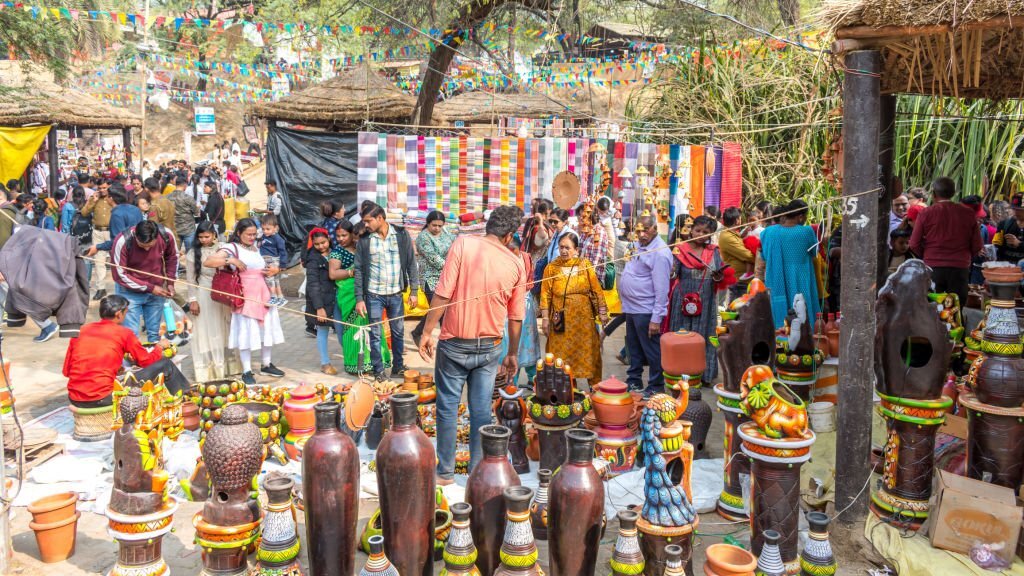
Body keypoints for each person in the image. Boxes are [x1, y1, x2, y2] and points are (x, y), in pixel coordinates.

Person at [418, 205, 526, 485]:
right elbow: (516, 318)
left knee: (447, 408)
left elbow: (442, 292)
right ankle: (480, 474)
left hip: (455, 343)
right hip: (489, 347)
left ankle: (444, 473)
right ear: (509, 235)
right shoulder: (515, 263)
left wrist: (427, 331)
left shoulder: (462, 244)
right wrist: (512, 354)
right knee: (481, 410)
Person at [63, 295, 188, 407]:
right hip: (104, 397)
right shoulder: (124, 333)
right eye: (125, 313)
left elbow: (67, 371)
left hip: (74, 398)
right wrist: (159, 347)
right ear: (118, 314)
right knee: (166, 365)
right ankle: (188, 401)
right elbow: (146, 361)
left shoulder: (81, 330)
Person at [204, 218, 285, 385]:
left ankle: (266, 363)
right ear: (239, 233)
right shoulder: (231, 248)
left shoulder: (255, 247)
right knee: (246, 331)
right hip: (245, 294)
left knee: (267, 328)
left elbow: (260, 267)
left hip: (263, 292)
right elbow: (209, 261)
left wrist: (273, 270)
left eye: (255, 234)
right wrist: (231, 260)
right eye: (248, 234)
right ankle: (247, 370)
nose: (252, 237)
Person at [353, 203, 419, 380]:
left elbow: (412, 263)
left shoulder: (401, 234)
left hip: (396, 294)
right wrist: (359, 298)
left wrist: (414, 290)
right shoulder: (365, 240)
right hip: (373, 295)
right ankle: (378, 371)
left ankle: (397, 367)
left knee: (398, 332)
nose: (365, 225)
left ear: (380, 218)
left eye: (368, 221)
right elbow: (358, 269)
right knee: (375, 334)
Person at [667, 215, 733, 386]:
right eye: (697, 230)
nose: (700, 234)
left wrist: (719, 277)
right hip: (682, 298)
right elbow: (673, 274)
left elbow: (720, 277)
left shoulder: (714, 251)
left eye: (705, 232)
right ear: (691, 230)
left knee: (704, 335)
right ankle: (678, 372)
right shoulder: (680, 249)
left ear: (710, 234)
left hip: (706, 298)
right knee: (681, 334)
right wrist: (671, 270)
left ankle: (704, 375)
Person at [539, 232, 609, 386]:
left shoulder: (585, 265)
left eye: (567, 248)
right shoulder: (551, 269)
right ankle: (568, 391)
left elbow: (597, 290)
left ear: (576, 249)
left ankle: (595, 390)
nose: (563, 251)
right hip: (560, 322)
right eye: (561, 247)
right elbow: (545, 295)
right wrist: (545, 319)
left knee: (590, 354)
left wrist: (603, 313)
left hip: (583, 323)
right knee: (561, 358)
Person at [619, 214, 673, 396]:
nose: (641, 234)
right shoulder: (637, 245)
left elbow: (662, 290)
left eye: (646, 230)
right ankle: (634, 381)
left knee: (652, 350)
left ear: (655, 229)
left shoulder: (660, 253)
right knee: (633, 348)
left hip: (646, 310)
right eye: (638, 230)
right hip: (631, 308)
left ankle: (656, 386)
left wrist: (656, 318)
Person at [909, 177, 982, 307]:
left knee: (932, 308)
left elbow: (914, 243)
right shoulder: (968, 213)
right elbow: (977, 245)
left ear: (933, 194)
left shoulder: (926, 213)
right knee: (956, 310)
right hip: (959, 267)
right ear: (954, 193)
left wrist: (926, 255)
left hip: (933, 267)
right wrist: (965, 257)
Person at [330, 221, 392, 374]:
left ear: (353, 234)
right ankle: (355, 365)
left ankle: (374, 363)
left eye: (344, 235)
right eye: (338, 236)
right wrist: (353, 272)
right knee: (353, 331)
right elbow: (333, 274)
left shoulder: (364, 248)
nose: (341, 239)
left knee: (373, 329)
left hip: (369, 294)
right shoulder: (338, 252)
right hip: (350, 296)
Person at [105, 220, 177, 342]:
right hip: (129, 292)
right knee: (131, 335)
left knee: (155, 334)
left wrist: (170, 283)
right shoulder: (123, 240)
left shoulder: (166, 235)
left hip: (157, 289)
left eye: (150, 245)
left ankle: (154, 360)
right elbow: (119, 274)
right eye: (143, 246)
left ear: (157, 237)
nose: (147, 249)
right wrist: (150, 288)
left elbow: (173, 258)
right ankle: (131, 361)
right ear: (135, 236)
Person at [186, 221, 241, 381]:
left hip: (224, 292)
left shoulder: (223, 248)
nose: (204, 239)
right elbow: (190, 280)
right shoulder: (192, 254)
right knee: (207, 330)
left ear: (214, 235)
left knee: (225, 327)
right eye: (201, 237)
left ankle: (230, 366)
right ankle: (210, 369)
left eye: (207, 236)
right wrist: (193, 300)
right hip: (204, 294)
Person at [760, 199, 821, 329]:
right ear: (800, 217)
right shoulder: (807, 231)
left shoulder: (767, 233)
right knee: (802, 312)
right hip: (801, 279)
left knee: (780, 319)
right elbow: (815, 253)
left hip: (776, 280)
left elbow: (764, 256)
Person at [411, 210, 455, 345]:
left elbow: (455, 246)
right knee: (439, 310)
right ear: (428, 223)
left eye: (440, 226)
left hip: (445, 277)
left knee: (438, 309)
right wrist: (454, 267)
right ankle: (446, 341)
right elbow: (434, 259)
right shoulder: (423, 238)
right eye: (434, 225)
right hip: (430, 278)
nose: (437, 228)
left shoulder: (446, 232)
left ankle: (418, 332)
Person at [305, 228, 340, 375]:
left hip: (338, 298)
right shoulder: (313, 259)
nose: (321, 246)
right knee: (323, 330)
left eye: (323, 242)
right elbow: (313, 284)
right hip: (321, 301)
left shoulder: (336, 252)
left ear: (329, 239)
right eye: (317, 244)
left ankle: (351, 359)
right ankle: (324, 363)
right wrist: (319, 307)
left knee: (341, 330)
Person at [82, 178, 116, 300]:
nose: (102, 190)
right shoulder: (94, 198)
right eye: (100, 188)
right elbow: (84, 213)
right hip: (97, 232)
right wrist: (92, 201)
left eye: (104, 188)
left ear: (109, 187)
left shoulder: (114, 198)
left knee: (117, 260)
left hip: (112, 232)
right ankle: (101, 288)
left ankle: (121, 288)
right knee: (98, 261)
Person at [718, 207, 753, 299]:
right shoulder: (727, 236)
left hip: (743, 279)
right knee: (738, 310)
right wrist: (761, 258)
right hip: (739, 280)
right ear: (737, 220)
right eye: (740, 218)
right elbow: (747, 255)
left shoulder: (732, 234)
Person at [258, 214, 287, 307]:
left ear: (275, 228)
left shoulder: (278, 239)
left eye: (268, 229)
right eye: (263, 229)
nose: (265, 231)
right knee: (275, 279)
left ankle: (273, 297)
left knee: (269, 277)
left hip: (272, 260)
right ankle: (280, 297)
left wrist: (282, 264)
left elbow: (283, 252)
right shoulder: (263, 236)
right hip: (266, 259)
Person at [167, 176, 200, 251]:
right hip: (188, 229)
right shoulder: (188, 198)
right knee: (190, 253)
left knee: (175, 253)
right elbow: (196, 213)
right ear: (185, 185)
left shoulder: (167, 197)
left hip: (174, 229)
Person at [995, 193, 1024, 264]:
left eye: (1020, 210)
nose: (1016, 212)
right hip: (1006, 268)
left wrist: (1019, 244)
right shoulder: (1004, 224)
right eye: (1014, 209)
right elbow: (996, 244)